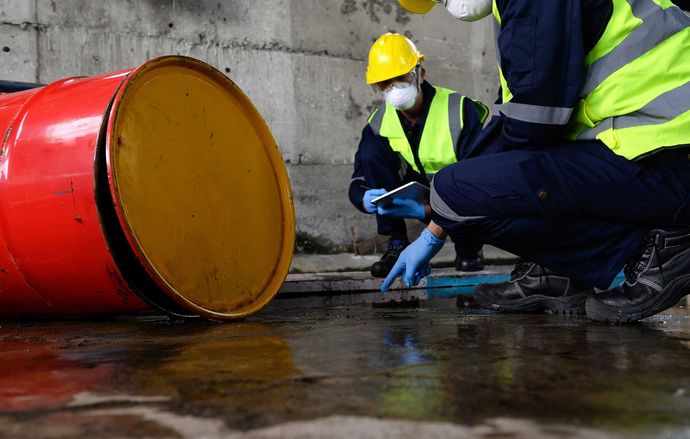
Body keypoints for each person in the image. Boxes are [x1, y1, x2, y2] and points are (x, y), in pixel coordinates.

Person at [385, 0, 690, 323]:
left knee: (456, 190)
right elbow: (516, 117)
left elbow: (534, 123)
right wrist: (439, 223)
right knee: (458, 193)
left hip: (671, 158)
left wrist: (443, 213)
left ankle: (671, 247)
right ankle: (560, 272)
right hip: (655, 151)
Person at [349, 32, 490, 278]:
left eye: (401, 77)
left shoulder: (458, 110)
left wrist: (427, 212)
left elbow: (481, 181)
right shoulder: (378, 123)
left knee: (472, 182)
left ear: (420, 73)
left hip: (457, 197)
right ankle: (396, 242)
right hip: (415, 195)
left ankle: (469, 246)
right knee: (372, 152)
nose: (393, 88)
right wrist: (363, 198)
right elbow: (359, 178)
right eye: (385, 83)